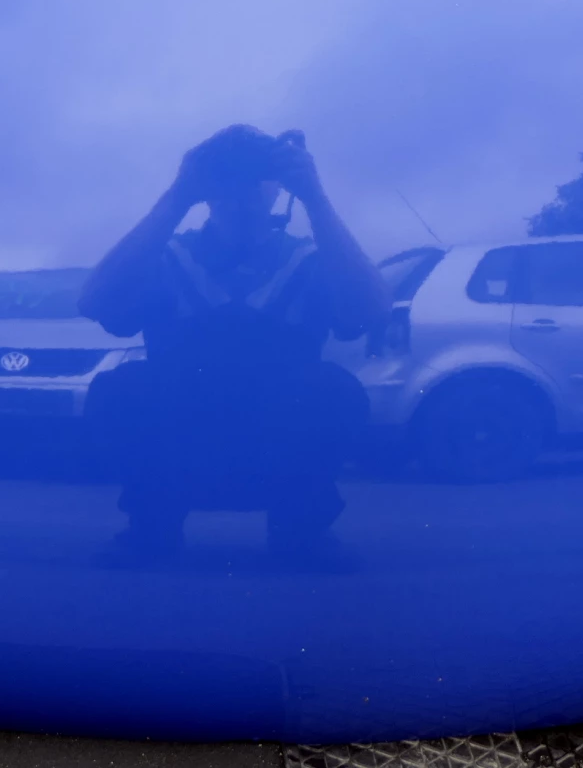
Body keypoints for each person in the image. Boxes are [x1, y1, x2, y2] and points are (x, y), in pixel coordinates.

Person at [79, 125, 386, 565]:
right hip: (184, 429)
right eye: (229, 174)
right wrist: (178, 196)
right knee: (119, 389)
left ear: (280, 186)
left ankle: (299, 530)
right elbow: (94, 302)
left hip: (274, 430)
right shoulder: (168, 257)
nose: (243, 189)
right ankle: (153, 526)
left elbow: (371, 310)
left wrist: (316, 199)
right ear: (205, 188)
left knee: (337, 391)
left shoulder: (309, 260)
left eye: (258, 174)